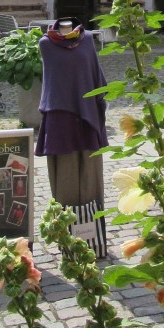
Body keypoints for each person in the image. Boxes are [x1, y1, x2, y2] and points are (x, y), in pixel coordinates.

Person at [36, 18, 108, 209]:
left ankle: (93, 222)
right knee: (64, 176)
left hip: (87, 112)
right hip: (60, 115)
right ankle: (65, 222)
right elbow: (52, 81)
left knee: (91, 174)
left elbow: (95, 74)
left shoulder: (88, 39)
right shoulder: (46, 44)